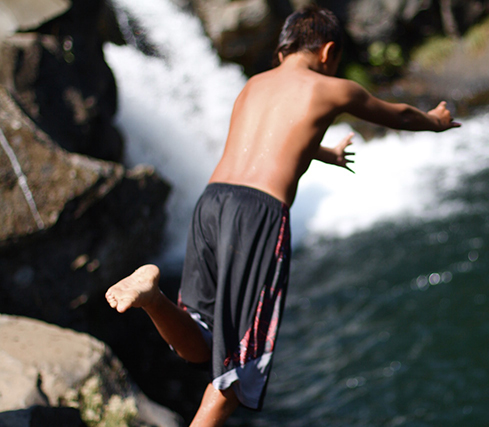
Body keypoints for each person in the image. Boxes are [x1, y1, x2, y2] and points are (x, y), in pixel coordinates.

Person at [105, 5, 460, 427]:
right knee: (235, 375)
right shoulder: (332, 89)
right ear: (328, 52)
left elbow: (273, 138)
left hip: (212, 204)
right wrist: (434, 121)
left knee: (198, 345)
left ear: (281, 51)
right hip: (258, 216)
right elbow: (397, 113)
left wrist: (324, 152)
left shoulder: (253, 86)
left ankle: (152, 298)